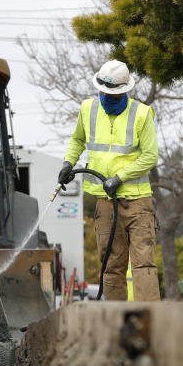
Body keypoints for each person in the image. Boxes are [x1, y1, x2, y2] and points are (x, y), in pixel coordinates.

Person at [58, 59, 160, 301]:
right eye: (104, 92)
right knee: (111, 264)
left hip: (137, 202)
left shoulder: (141, 114)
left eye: (112, 94)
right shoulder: (88, 109)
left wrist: (119, 177)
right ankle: (116, 323)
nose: (107, 97)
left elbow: (150, 157)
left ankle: (151, 322)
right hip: (105, 203)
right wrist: (67, 162)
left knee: (143, 264)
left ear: (125, 90)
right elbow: (76, 140)